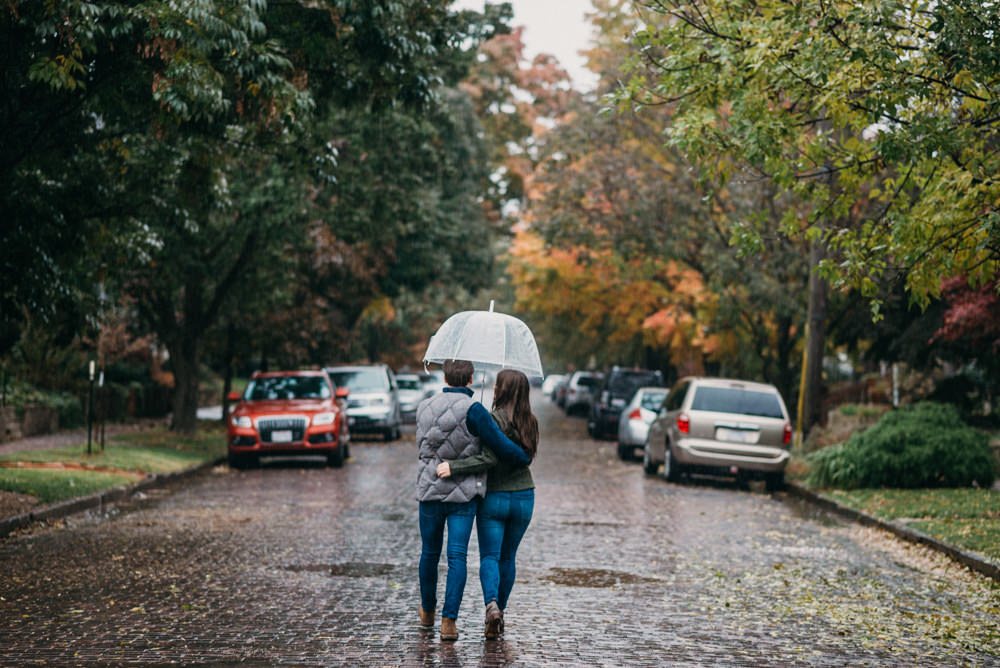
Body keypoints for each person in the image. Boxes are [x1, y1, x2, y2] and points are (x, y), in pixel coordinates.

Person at [415, 359, 530, 641]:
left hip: (430, 489)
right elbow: (499, 449)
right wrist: (523, 456)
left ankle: (427, 610)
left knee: (429, 553)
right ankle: (448, 622)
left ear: (444, 375)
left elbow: (423, 448)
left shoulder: (423, 406)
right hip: (463, 495)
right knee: (457, 557)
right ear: (470, 379)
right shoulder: (474, 410)